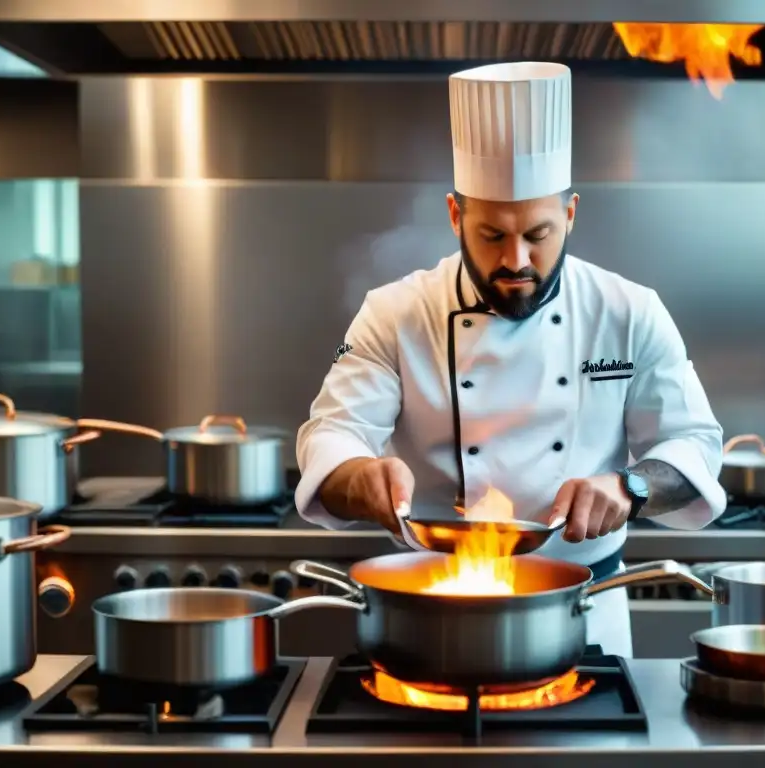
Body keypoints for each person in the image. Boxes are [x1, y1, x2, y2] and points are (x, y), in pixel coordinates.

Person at [295, 61, 727, 658]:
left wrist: (630, 487)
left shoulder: (630, 311)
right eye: (492, 235)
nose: (516, 259)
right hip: (434, 612)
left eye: (539, 234)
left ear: (571, 214)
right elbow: (332, 433)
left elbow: (695, 447)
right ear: (455, 216)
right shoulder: (394, 312)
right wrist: (358, 477)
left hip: (583, 613)